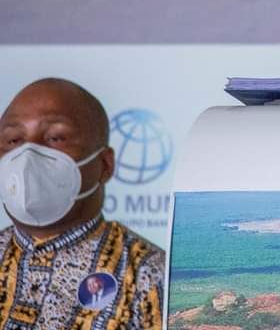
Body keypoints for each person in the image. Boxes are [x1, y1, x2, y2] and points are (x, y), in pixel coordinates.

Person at [0, 78, 164, 328]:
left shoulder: (148, 275)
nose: (28, 156)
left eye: (55, 138)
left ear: (105, 165)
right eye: (13, 140)